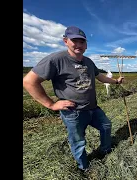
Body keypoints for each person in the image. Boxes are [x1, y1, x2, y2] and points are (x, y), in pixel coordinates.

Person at [23, 26, 124, 172]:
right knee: (78, 141)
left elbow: (99, 76)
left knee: (106, 126)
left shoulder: (88, 61)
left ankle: (105, 151)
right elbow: (29, 82)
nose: (78, 45)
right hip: (73, 112)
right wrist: (51, 104)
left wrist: (116, 81)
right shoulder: (56, 60)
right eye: (74, 40)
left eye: (82, 42)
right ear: (65, 41)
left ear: (86, 45)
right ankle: (84, 168)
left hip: (93, 108)